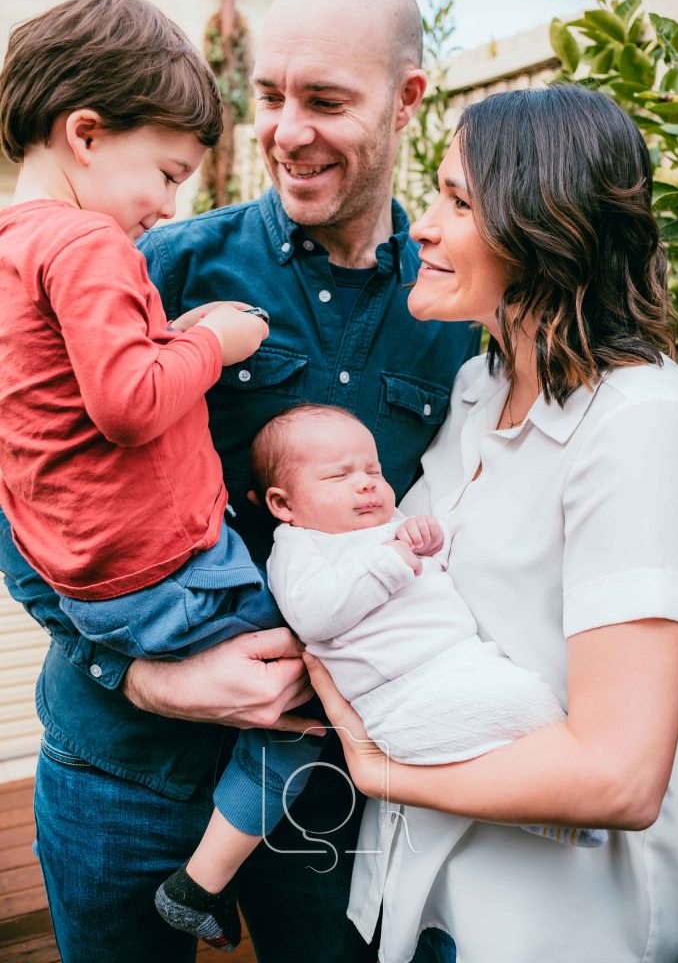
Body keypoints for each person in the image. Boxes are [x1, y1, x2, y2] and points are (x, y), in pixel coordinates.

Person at [0, 0, 479, 963]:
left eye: (327, 100)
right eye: (269, 96)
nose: (287, 130)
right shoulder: (152, 259)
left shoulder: (451, 319)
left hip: (323, 783)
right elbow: (21, 481)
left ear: (407, 101)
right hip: (119, 767)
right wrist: (137, 673)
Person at [305, 84, 678, 963]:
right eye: (434, 193)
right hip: (414, 899)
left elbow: (619, 774)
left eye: (459, 202)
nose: (422, 227)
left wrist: (381, 773)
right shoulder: (478, 389)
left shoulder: (638, 423)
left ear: (548, 228)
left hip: (543, 930)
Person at [157, 398, 610, 945]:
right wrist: (393, 561)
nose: (367, 485)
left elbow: (431, 570)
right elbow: (316, 616)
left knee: (533, 708)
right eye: (339, 475)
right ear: (284, 504)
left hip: (456, 664)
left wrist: (424, 541)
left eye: (373, 470)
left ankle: (545, 809)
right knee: (526, 713)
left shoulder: (382, 525)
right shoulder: (300, 549)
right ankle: (559, 804)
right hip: (405, 695)